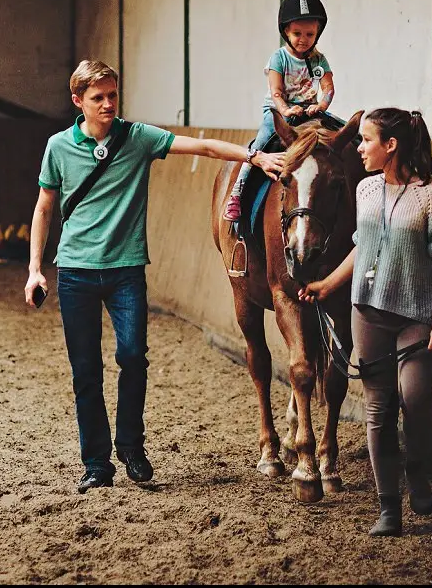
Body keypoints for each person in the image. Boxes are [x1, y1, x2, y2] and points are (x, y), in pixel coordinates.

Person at [24, 59, 285, 494]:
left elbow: (203, 147)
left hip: (126, 270)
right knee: (85, 370)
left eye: (112, 95)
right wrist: (35, 269)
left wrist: (254, 156)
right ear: (78, 101)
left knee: (133, 357)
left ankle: (131, 446)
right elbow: (44, 206)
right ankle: (96, 464)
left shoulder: (138, 137)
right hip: (75, 272)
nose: (108, 104)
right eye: (98, 98)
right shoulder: (58, 147)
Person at [297, 107, 432, 536]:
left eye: (366, 140)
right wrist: (327, 285)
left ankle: (416, 467)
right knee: (378, 409)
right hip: (368, 312)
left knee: (415, 398)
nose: (360, 149)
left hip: (417, 317)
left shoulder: (431, 196)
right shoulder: (365, 189)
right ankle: (389, 507)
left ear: (391, 145)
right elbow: (361, 246)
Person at [223, 0, 346, 221]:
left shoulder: (319, 60)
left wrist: (321, 105)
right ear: (286, 32)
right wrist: (286, 110)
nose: (303, 39)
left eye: (310, 34)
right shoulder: (278, 59)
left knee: (346, 131)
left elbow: (328, 87)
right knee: (259, 145)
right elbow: (276, 92)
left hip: (309, 113)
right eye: (297, 33)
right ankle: (237, 192)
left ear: (317, 33)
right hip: (281, 113)